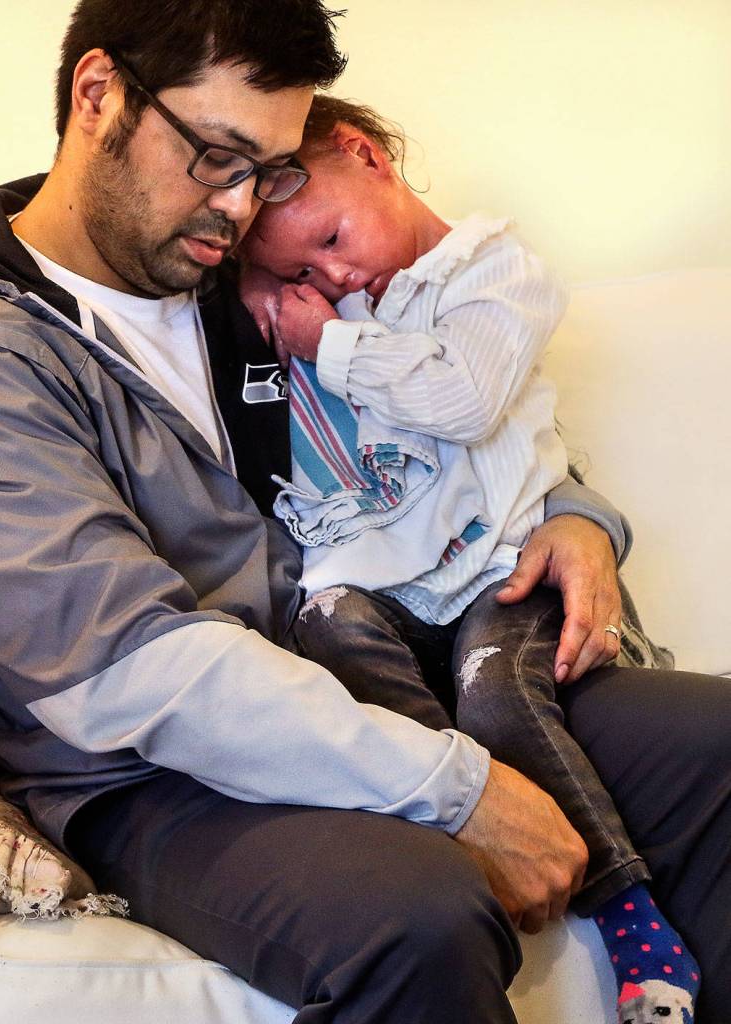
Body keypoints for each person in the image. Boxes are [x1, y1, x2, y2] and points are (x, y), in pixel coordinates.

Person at [0, 2, 731, 1021]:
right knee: (413, 914)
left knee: (715, 745)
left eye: (266, 170)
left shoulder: (252, 276)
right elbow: (134, 676)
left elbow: (458, 426)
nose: (238, 210)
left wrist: (575, 516)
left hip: (392, 666)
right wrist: (458, 787)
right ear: (98, 96)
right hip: (153, 775)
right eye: (219, 157)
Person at [238, 94, 700, 1021]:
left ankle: (635, 922)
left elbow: (463, 400)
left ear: (367, 155)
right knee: (329, 625)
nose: (332, 274)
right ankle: (456, 849)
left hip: (503, 565)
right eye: (302, 268)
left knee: (495, 688)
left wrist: (321, 338)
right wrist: (261, 300)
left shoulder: (495, 269)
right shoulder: (334, 303)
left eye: (329, 237)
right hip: (390, 583)